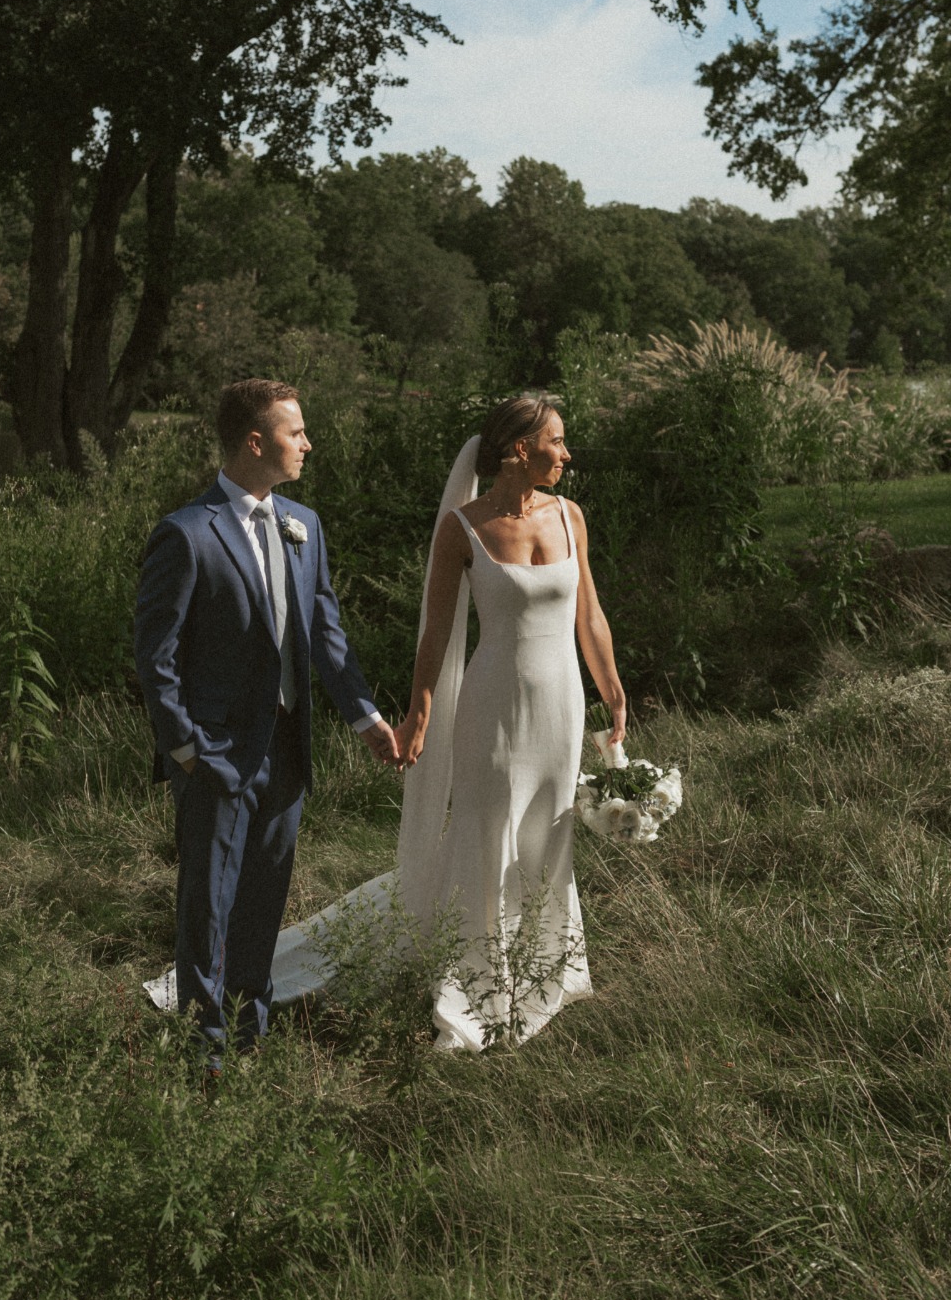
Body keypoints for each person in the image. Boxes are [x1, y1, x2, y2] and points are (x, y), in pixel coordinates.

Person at [271, 393, 626, 1052]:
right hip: (492, 707)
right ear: (520, 450)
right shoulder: (462, 528)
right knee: (487, 833)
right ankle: (476, 991)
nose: (567, 453)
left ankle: (543, 974)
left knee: (549, 834)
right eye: (557, 441)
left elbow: (591, 616)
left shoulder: (570, 517)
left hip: (562, 707)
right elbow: (436, 635)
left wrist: (613, 692)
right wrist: (418, 718)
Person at [134, 378, 397, 1067]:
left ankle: (251, 1037)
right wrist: (186, 749)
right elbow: (154, 658)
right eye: (296, 432)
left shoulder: (304, 524)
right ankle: (204, 1053)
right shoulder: (187, 533)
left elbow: (325, 633)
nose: (308, 443)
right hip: (215, 752)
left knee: (263, 900)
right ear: (257, 442)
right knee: (208, 907)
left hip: (286, 747)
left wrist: (363, 714)